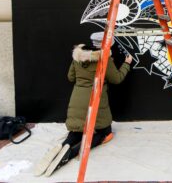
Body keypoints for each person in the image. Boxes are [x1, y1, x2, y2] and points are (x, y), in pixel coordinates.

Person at [34, 32, 132, 177]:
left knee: (77, 129)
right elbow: (116, 79)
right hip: (95, 100)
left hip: (77, 98)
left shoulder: (78, 55)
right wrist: (126, 64)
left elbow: (70, 77)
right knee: (105, 132)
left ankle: (64, 145)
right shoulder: (104, 59)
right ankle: (72, 152)